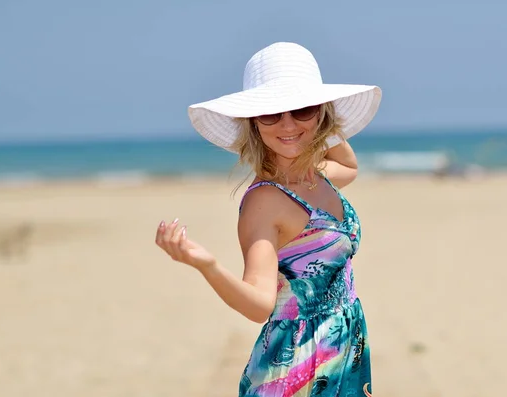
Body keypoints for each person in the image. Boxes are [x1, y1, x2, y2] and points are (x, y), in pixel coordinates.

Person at [155, 42, 382, 396]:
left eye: (301, 109)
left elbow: (351, 167)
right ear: (253, 123)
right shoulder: (266, 202)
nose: (287, 124)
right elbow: (259, 306)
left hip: (343, 353)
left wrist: (323, 121)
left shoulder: (317, 175)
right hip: (297, 369)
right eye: (270, 113)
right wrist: (208, 265)